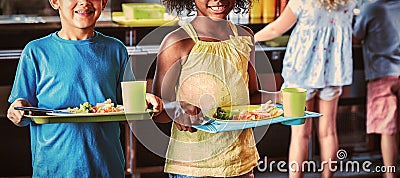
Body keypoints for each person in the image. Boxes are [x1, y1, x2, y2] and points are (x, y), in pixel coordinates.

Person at [6, 0, 163, 177]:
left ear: (104, 3)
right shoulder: (36, 51)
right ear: (55, 2)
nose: (84, 2)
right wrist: (17, 109)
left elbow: (128, 106)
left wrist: (145, 100)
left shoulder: (116, 49)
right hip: (54, 170)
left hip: (107, 168)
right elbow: (21, 108)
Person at [151, 0, 280, 176]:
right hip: (194, 167)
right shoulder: (177, 42)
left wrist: (280, 97)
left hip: (240, 162)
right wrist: (175, 109)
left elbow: (249, 96)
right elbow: (157, 110)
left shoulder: (244, 36)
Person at [254, 0, 355, 177]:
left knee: (300, 135)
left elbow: (275, 29)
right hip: (332, 72)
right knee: (328, 132)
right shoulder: (349, 1)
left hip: (300, 74)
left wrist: (250, 38)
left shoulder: (303, 1)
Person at [353, 1, 400, 178]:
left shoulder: (371, 9)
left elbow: (356, 36)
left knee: (387, 130)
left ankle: (390, 175)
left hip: (381, 74)